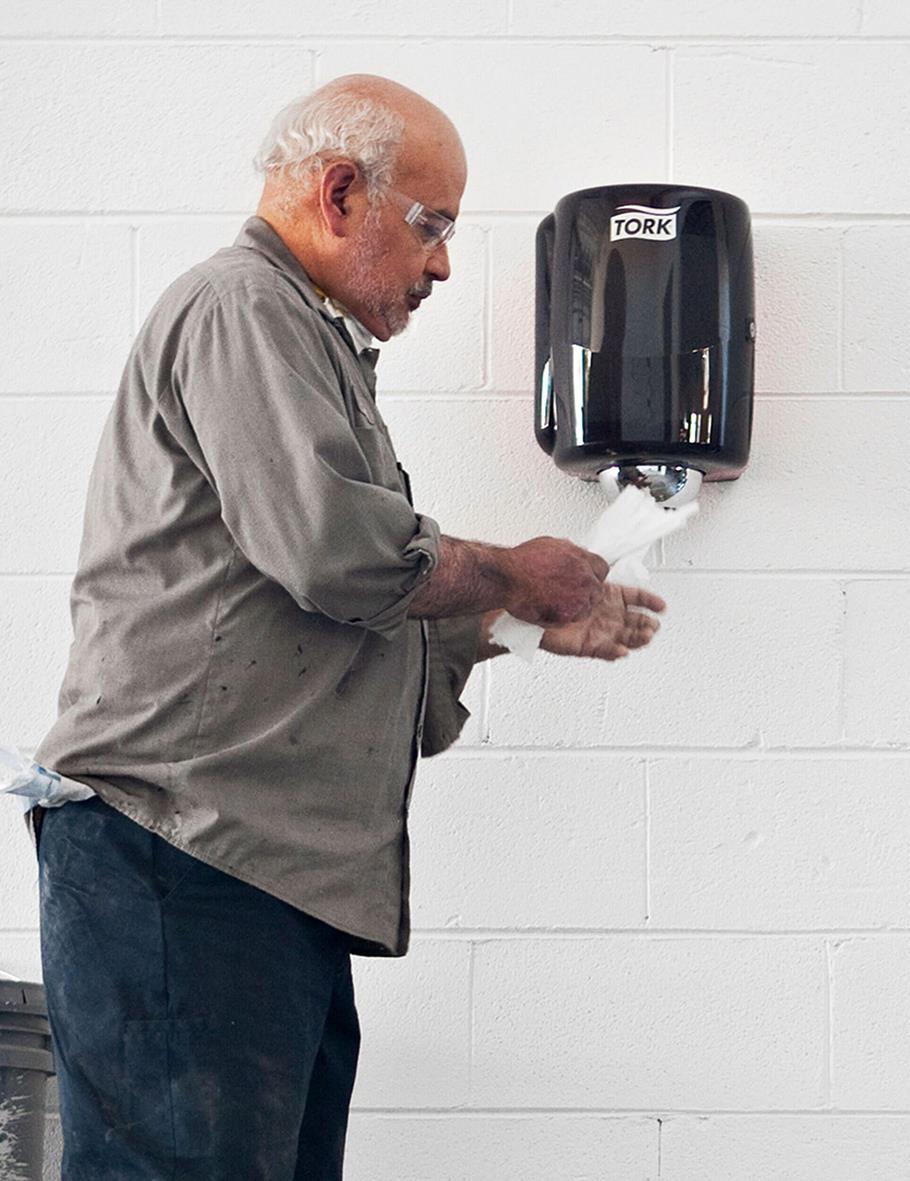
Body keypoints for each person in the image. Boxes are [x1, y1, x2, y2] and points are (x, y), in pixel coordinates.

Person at [30, 73, 666, 1179]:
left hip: (255, 880)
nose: (442, 265)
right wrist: (512, 569)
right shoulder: (242, 307)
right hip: (185, 859)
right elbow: (332, 553)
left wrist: (507, 622)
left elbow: (323, 610)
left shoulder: (310, 348)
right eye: (432, 225)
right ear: (336, 191)